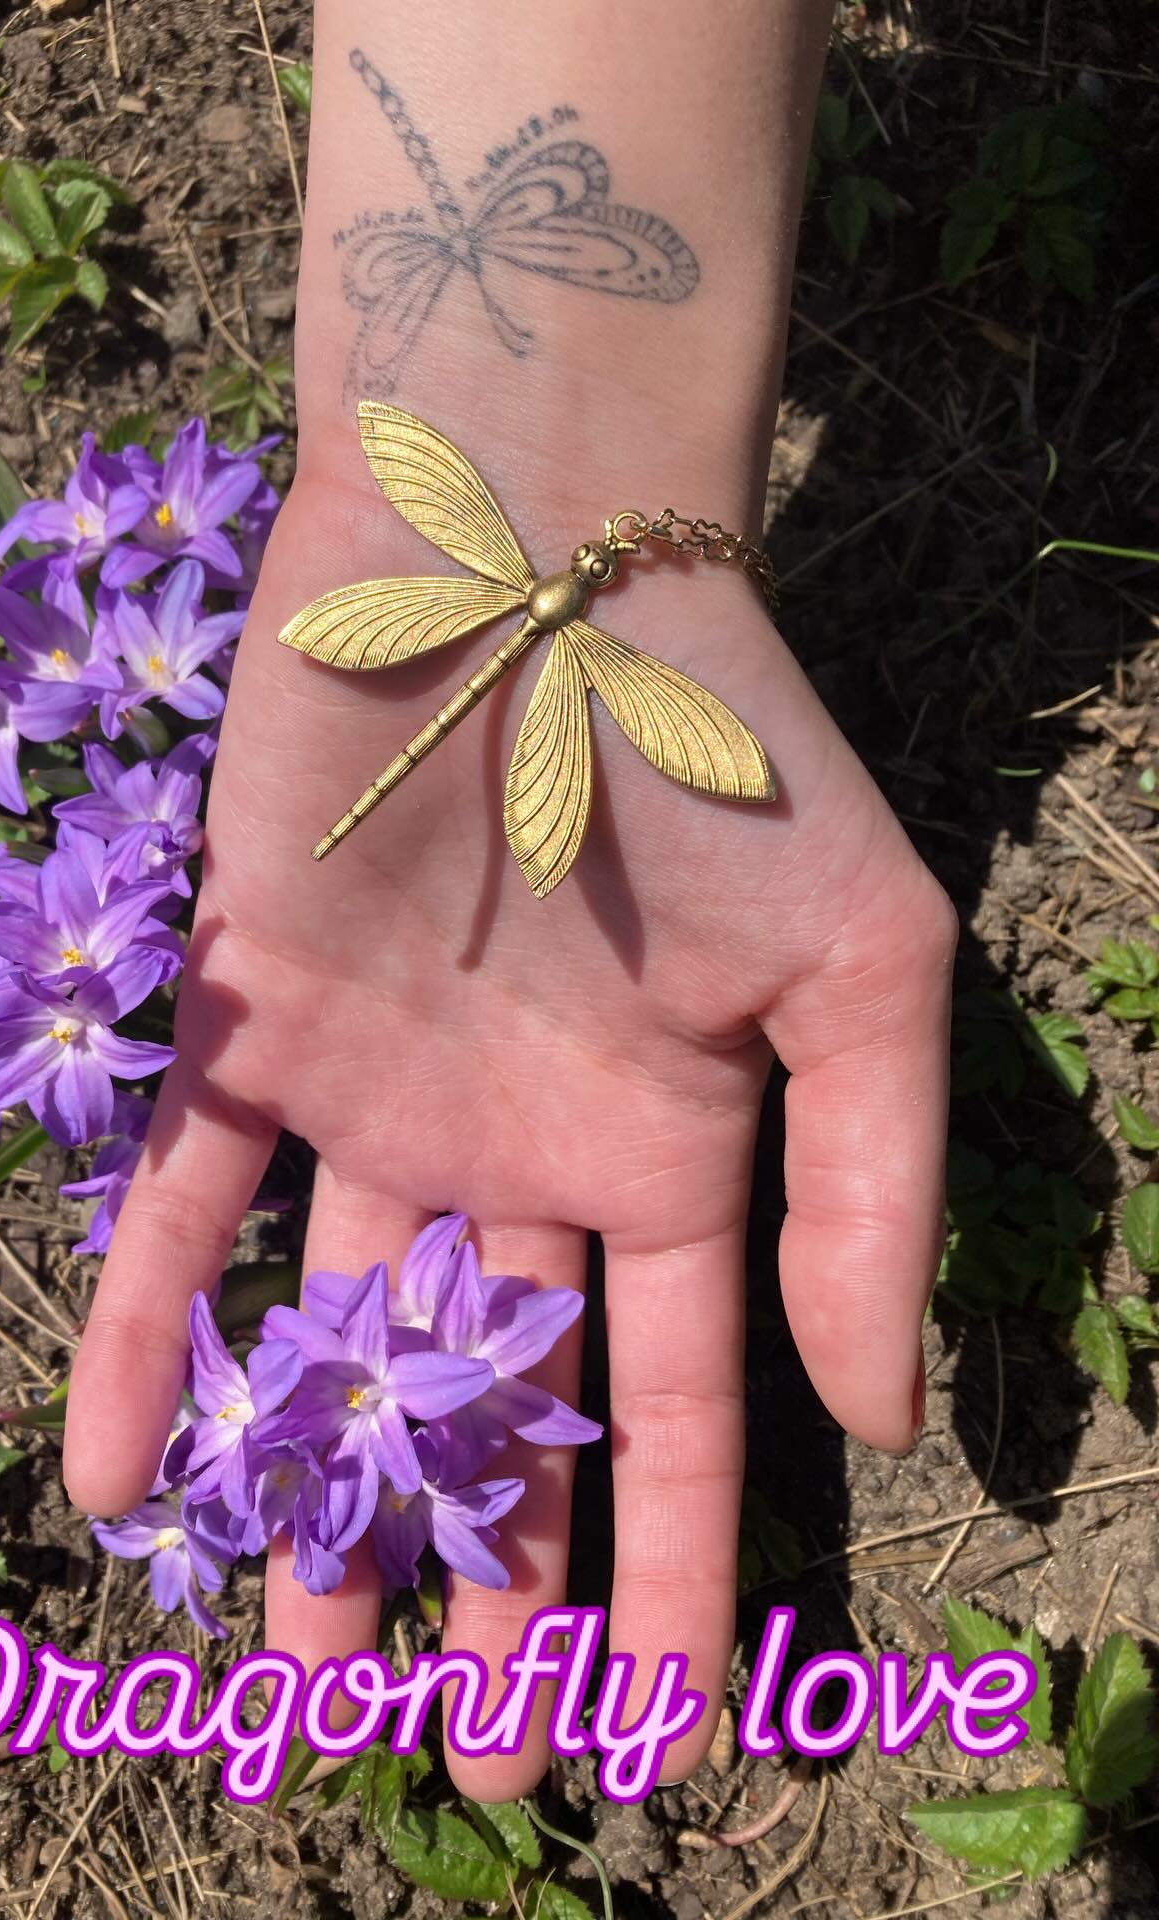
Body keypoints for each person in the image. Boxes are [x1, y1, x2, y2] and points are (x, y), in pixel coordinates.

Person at [63, 1, 958, 1802]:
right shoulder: (513, 570)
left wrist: (568, 462)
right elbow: (468, 459)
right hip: (463, 591)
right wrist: (527, 441)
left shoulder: (588, 634)